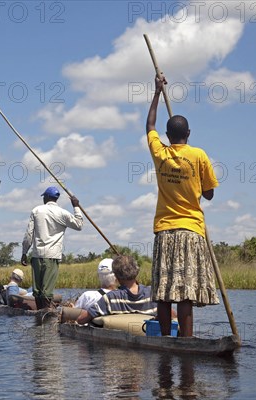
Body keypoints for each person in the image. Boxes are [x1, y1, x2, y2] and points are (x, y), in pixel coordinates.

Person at [146, 75, 220, 337]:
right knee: (185, 292)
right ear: (188, 134)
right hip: (191, 230)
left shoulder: (160, 153)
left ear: (167, 136)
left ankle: (166, 339)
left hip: (165, 231)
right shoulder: (199, 155)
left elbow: (149, 124)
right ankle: (186, 341)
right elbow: (209, 194)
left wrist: (156, 92)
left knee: (164, 292)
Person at [21, 186, 83, 310]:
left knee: (38, 291)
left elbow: (29, 234)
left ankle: (40, 316)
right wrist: (76, 206)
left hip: (37, 255)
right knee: (46, 291)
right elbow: (79, 224)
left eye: (44, 196)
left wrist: (24, 252)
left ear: (47, 197)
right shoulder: (63, 213)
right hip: (52, 256)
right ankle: (45, 315)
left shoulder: (37, 210)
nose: (43, 198)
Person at [76, 255, 156, 325]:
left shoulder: (111, 297)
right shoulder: (152, 293)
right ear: (137, 272)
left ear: (116, 278)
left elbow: (81, 320)